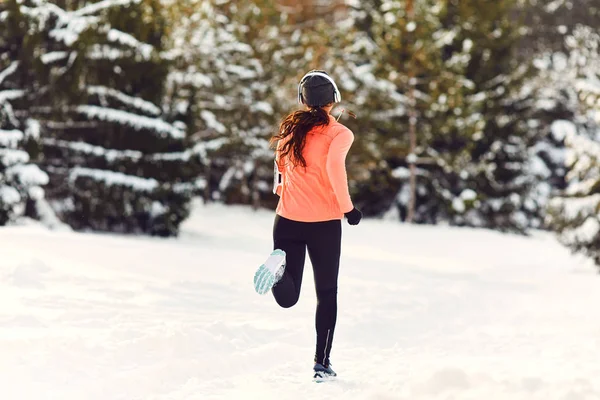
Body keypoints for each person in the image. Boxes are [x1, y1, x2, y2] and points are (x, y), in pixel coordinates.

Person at [253, 70, 362, 380]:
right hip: (324, 224)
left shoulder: (289, 131)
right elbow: (334, 169)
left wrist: (284, 196)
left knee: (288, 297)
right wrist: (348, 209)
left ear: (303, 100)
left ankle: (276, 268)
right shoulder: (340, 134)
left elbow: (279, 174)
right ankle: (321, 363)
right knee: (327, 293)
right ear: (333, 100)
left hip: (286, 220)